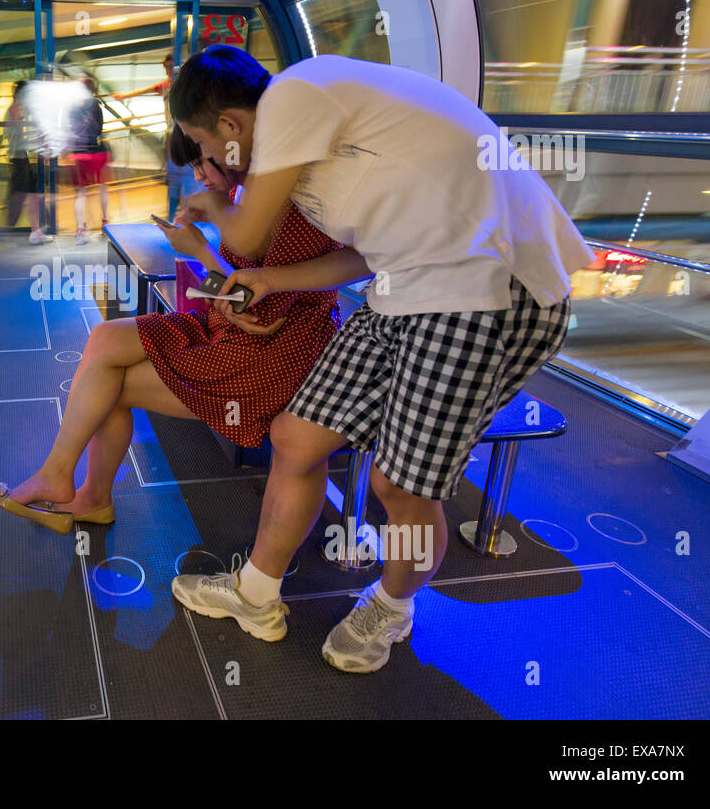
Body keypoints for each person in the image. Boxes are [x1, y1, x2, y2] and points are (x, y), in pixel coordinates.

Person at [168, 45, 595, 669]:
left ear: (230, 126)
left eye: (203, 147)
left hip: (487, 289)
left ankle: (392, 607)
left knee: (401, 483)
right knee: (297, 437)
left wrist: (212, 211)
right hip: (404, 288)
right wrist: (275, 280)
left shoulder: (292, 95)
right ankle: (254, 593)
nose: (207, 165)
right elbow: (366, 255)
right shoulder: (317, 150)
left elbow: (246, 236)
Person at [0, 124, 364, 534]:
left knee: (102, 386)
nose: (198, 175)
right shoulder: (242, 194)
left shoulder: (286, 205)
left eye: (202, 156)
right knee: (105, 339)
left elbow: (261, 303)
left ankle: (79, 489)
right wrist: (207, 260)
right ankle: (67, 480)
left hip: (269, 356)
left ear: (233, 133)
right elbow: (241, 294)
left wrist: (200, 249)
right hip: (233, 329)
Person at [114, 53, 202, 219]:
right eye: (167, 67)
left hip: (184, 133)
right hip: (172, 132)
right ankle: (178, 214)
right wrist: (124, 96)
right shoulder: (166, 85)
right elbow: (145, 90)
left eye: (171, 67)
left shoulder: (186, 85)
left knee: (183, 174)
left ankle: (186, 213)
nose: (169, 70)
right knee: (176, 176)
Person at [0, 81, 46, 244]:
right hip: (18, 158)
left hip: (21, 157)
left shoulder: (16, 109)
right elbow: (21, 120)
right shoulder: (15, 108)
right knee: (17, 196)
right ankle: (6, 231)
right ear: (20, 95)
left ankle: (36, 230)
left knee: (31, 194)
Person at [66, 76, 110, 244]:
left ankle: (80, 230)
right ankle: (105, 223)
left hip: (79, 153)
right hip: (97, 152)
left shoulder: (72, 107)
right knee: (103, 188)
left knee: (81, 193)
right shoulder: (95, 105)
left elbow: (71, 129)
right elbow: (99, 129)